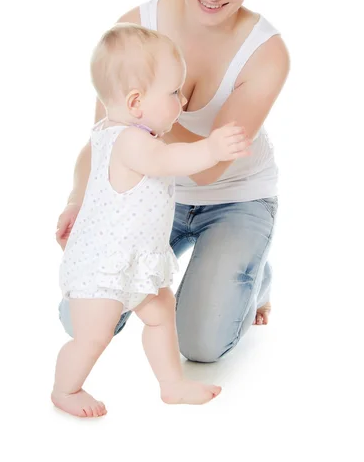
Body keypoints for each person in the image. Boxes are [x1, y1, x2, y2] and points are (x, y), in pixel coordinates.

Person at [56, 0, 290, 365]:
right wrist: (78, 200)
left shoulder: (267, 52)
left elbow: (207, 170)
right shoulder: (137, 27)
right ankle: (223, 272)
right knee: (81, 318)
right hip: (149, 195)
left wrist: (145, 121)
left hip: (234, 196)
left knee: (200, 344)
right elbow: (102, 141)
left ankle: (253, 274)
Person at [52, 23, 250, 417]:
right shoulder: (131, 142)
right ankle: (65, 390)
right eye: (174, 93)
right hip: (104, 268)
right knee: (93, 337)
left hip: (134, 262)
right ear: (137, 102)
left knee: (160, 314)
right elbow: (168, 161)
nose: (182, 102)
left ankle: (172, 384)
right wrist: (211, 148)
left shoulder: (117, 131)